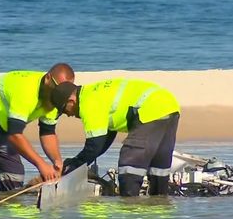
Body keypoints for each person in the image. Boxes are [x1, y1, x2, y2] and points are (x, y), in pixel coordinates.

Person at [0, 63, 75, 193]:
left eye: (65, 91)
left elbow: (47, 132)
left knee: (14, 177)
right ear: (47, 79)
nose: (60, 95)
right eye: (58, 89)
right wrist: (41, 165)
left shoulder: (55, 101)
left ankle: (3, 209)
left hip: (3, 128)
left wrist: (57, 161)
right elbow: (14, 135)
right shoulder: (25, 91)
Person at [51, 78, 180, 196]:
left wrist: (73, 165)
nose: (68, 115)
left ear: (71, 101)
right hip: (169, 105)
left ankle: (129, 212)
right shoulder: (94, 93)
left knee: (129, 164)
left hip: (150, 108)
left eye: (64, 110)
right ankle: (160, 207)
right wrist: (77, 165)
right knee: (158, 168)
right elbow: (103, 142)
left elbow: (94, 145)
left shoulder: (88, 103)